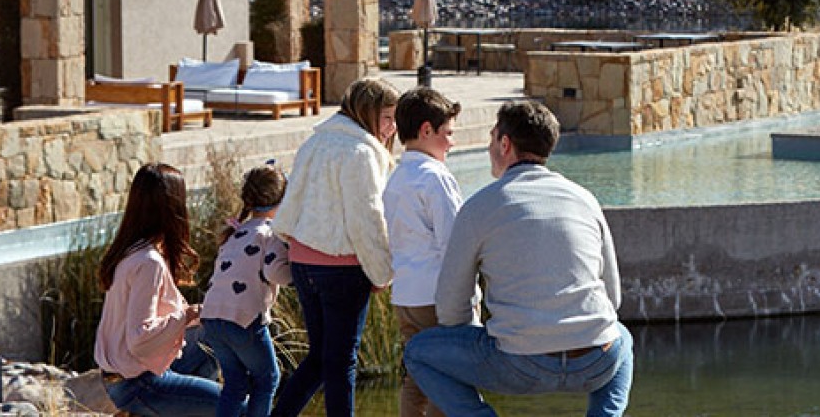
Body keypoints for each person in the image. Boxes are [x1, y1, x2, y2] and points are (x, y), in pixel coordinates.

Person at [404, 101, 634, 417]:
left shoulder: (480, 207)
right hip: (593, 360)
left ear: (505, 144)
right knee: (622, 337)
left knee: (418, 351)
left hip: (519, 364)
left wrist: (474, 337)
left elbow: (450, 307)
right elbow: (613, 297)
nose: (488, 147)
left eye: (491, 138)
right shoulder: (585, 199)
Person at [270, 78, 400, 417]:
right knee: (342, 361)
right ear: (367, 113)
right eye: (387, 117)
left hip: (302, 261)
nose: (392, 127)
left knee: (320, 357)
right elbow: (366, 219)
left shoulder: (315, 143)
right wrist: (382, 272)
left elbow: (293, 201)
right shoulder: (361, 153)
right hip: (341, 268)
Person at [95, 162, 221, 417]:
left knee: (213, 332)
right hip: (138, 384)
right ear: (173, 207)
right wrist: (187, 315)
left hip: (120, 376)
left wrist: (201, 314)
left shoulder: (129, 250)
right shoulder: (148, 263)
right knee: (241, 406)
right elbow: (140, 339)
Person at [383, 89, 466, 417]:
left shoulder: (397, 177)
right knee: (448, 378)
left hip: (406, 293)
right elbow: (454, 242)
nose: (452, 143)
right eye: (448, 134)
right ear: (426, 130)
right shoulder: (435, 178)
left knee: (417, 376)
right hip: (437, 294)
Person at [200, 164, 294, 417]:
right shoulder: (270, 234)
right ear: (283, 200)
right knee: (268, 379)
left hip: (212, 317)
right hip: (244, 319)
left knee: (234, 383)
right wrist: (297, 272)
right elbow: (276, 273)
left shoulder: (235, 232)